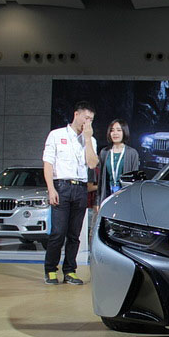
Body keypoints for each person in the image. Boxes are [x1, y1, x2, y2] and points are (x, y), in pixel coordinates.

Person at [42, 101, 99, 285]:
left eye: (91, 119)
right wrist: (51, 188)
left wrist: (88, 139)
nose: (88, 122)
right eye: (86, 118)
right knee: (58, 232)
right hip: (61, 186)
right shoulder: (56, 135)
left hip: (81, 188)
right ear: (76, 115)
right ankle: (50, 270)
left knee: (74, 234)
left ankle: (70, 271)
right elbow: (48, 163)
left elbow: (92, 164)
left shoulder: (91, 140)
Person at [97, 119, 139, 207]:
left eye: (119, 130)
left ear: (124, 132)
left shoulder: (132, 153)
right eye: (112, 130)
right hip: (107, 196)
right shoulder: (104, 152)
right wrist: (98, 201)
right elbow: (100, 180)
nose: (115, 133)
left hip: (126, 198)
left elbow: (135, 181)